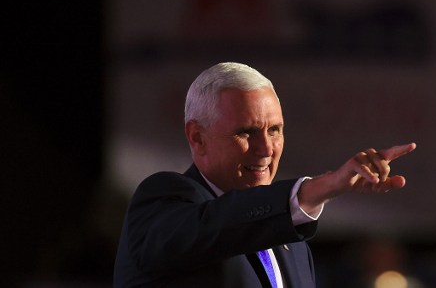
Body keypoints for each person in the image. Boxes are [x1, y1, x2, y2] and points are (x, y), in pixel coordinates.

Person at [113, 62, 416, 287]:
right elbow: (219, 224)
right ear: (197, 137)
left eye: (275, 130)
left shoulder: (293, 245)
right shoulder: (164, 205)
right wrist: (319, 188)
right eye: (246, 133)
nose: (266, 149)